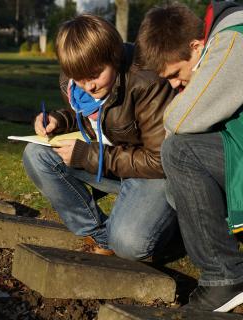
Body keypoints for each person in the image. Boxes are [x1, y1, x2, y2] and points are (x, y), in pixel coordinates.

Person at [23, 14, 176, 260]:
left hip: (152, 173)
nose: (88, 87)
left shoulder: (146, 80)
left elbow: (160, 161)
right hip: (113, 159)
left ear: (114, 57)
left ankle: (169, 228)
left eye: (94, 75)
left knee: (129, 244)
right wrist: (58, 121)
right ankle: (100, 234)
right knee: (36, 154)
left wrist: (87, 155)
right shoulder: (77, 80)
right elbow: (92, 118)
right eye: (79, 79)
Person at [137, 1, 243, 312]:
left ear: (197, 48)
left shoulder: (233, 39)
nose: (173, 84)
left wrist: (177, 112)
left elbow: (180, 120)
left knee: (181, 152)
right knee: (178, 179)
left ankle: (225, 277)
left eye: (174, 73)